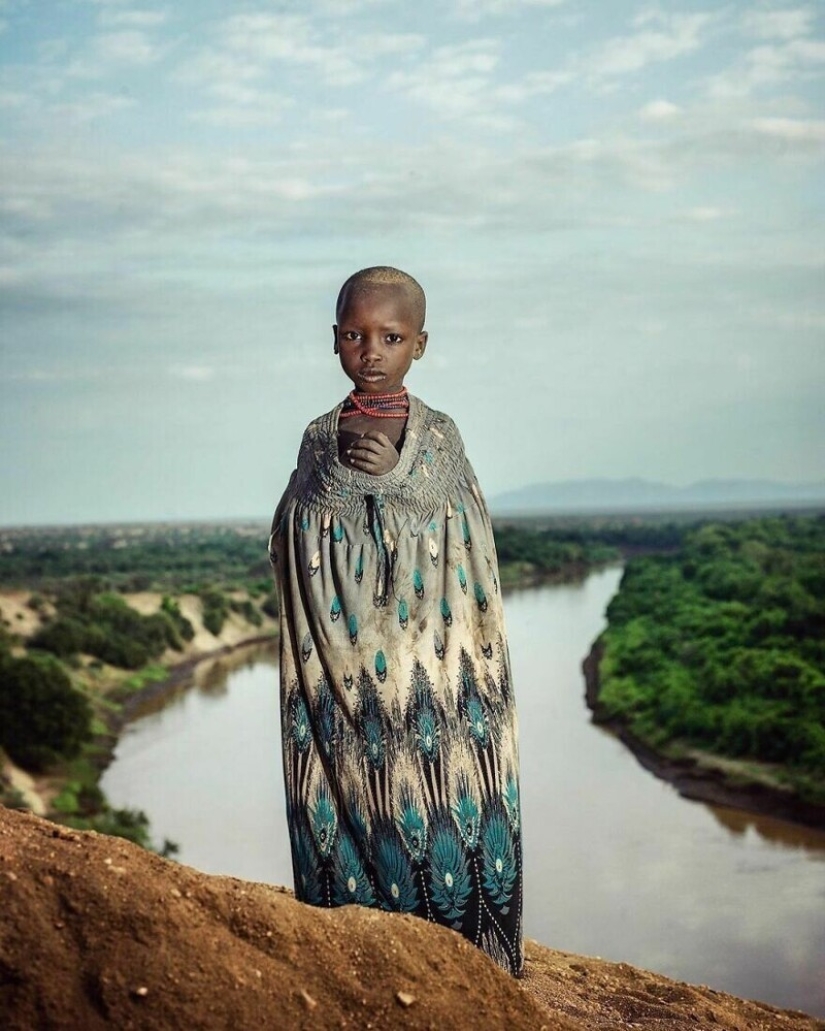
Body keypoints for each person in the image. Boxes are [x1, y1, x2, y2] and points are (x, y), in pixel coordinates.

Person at [269, 266, 523, 976]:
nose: (370, 351)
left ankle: (470, 971)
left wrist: (397, 485)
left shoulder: (439, 436)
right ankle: (357, 963)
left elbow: (463, 536)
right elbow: (294, 531)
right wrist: (342, 501)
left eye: (390, 336)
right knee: (351, 791)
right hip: (342, 667)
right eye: (354, 335)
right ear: (334, 341)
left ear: (420, 344)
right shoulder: (318, 439)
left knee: (440, 794)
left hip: (429, 669)